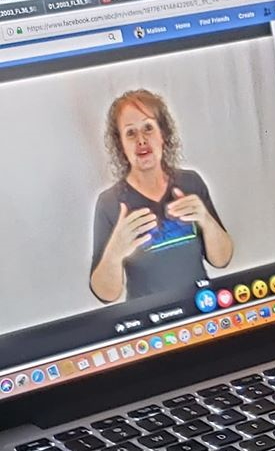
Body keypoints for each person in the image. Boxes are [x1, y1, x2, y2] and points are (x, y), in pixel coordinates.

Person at [90, 89, 233, 304]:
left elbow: (222, 260)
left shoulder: (190, 183)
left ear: (163, 134)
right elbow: (106, 294)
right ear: (120, 144)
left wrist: (205, 219)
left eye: (148, 127)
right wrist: (114, 252)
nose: (141, 140)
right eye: (130, 132)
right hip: (151, 327)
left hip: (202, 311)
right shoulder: (109, 203)